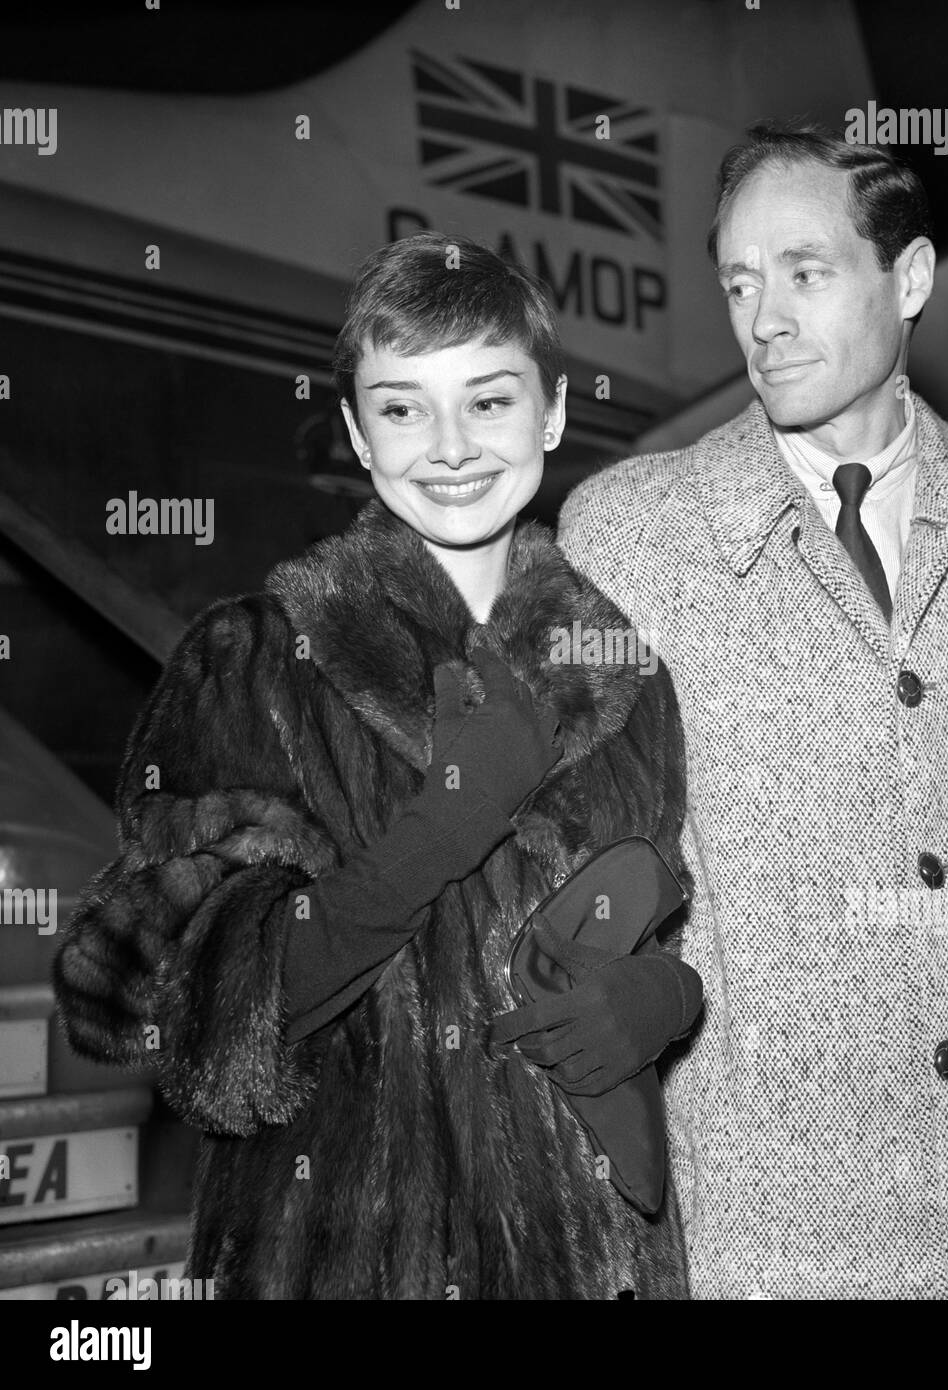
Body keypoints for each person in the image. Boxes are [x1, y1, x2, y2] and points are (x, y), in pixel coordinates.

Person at [54, 233, 702, 1300]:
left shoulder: (625, 677)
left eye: (488, 402)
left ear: (551, 412)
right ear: (357, 431)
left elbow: (654, 928)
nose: (449, 446)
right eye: (403, 408)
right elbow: (158, 1008)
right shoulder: (255, 660)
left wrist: (667, 998)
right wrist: (443, 829)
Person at [559, 119, 948, 1299]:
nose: (764, 319)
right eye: (741, 283)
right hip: (771, 1248)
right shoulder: (629, 537)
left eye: (805, 274)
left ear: (907, 279)